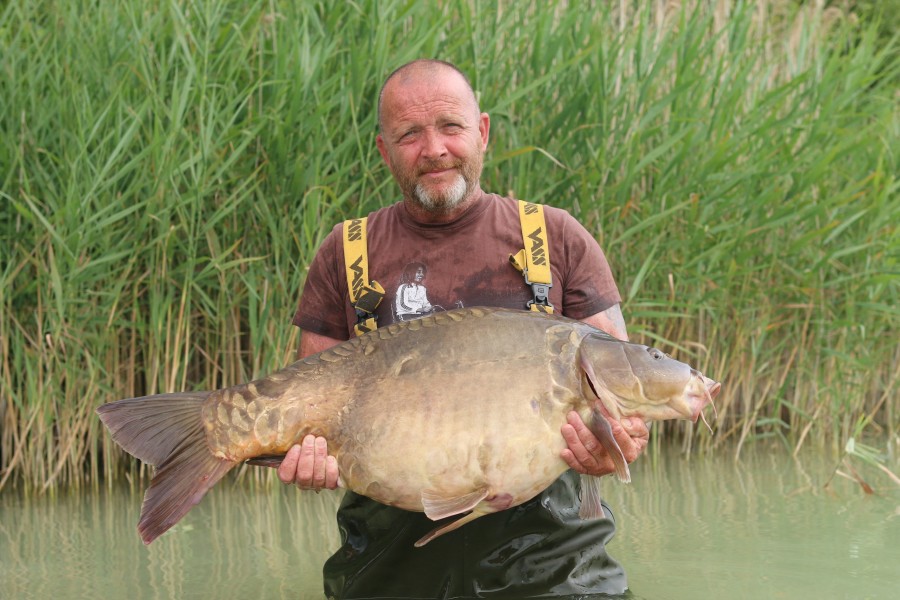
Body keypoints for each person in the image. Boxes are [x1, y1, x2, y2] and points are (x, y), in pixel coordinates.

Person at [283, 59, 649, 599]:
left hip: (552, 564)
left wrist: (618, 445)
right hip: (388, 565)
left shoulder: (554, 237)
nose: (433, 149)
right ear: (384, 151)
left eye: (450, 127)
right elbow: (308, 410)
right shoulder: (346, 251)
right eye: (410, 134)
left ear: (481, 133)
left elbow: (626, 402)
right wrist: (305, 456)